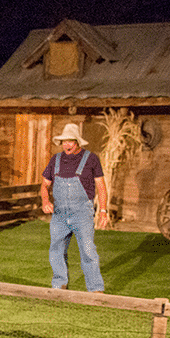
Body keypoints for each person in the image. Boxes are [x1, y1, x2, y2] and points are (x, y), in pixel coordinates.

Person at [39, 123, 109, 293]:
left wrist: (103, 211)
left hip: (82, 212)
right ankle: (59, 284)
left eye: (70, 141)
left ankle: (95, 289)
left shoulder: (91, 159)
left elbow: (101, 186)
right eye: (64, 142)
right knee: (56, 248)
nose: (66, 145)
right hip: (60, 213)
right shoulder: (55, 160)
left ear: (77, 142)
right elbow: (44, 185)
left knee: (88, 250)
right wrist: (45, 201)